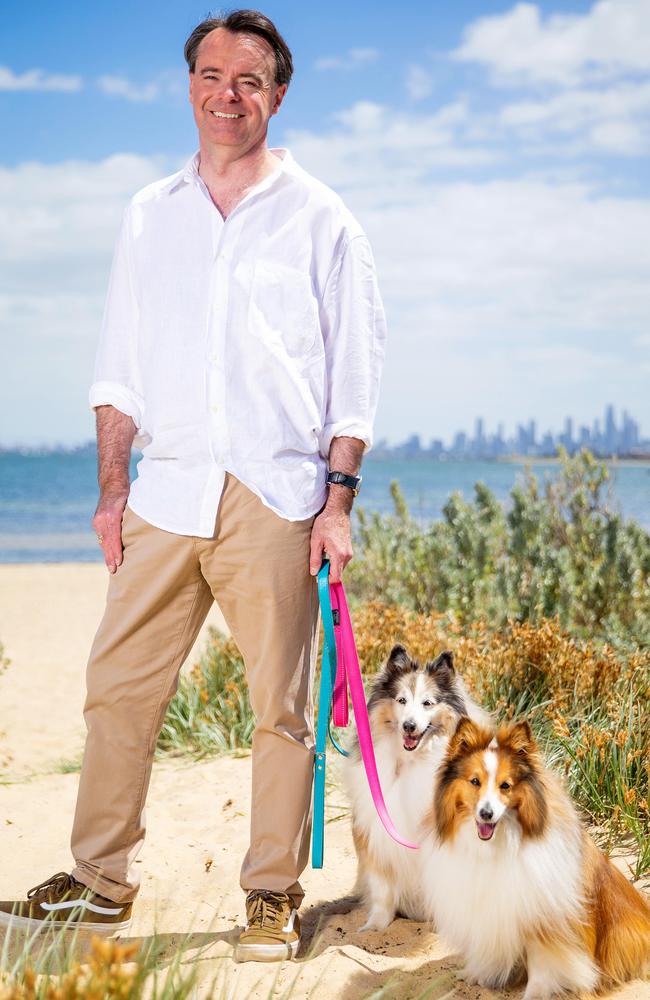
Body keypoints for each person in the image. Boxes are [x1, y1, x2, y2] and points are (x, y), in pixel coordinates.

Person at [0, 10, 386, 963]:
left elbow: (355, 378)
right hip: (164, 493)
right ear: (189, 87)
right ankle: (98, 881)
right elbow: (118, 369)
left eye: (247, 80)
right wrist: (107, 491)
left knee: (281, 707)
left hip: (275, 495)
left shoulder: (322, 216)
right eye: (211, 76)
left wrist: (335, 503)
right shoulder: (149, 212)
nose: (227, 95)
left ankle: (268, 892)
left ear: (277, 94)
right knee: (116, 689)